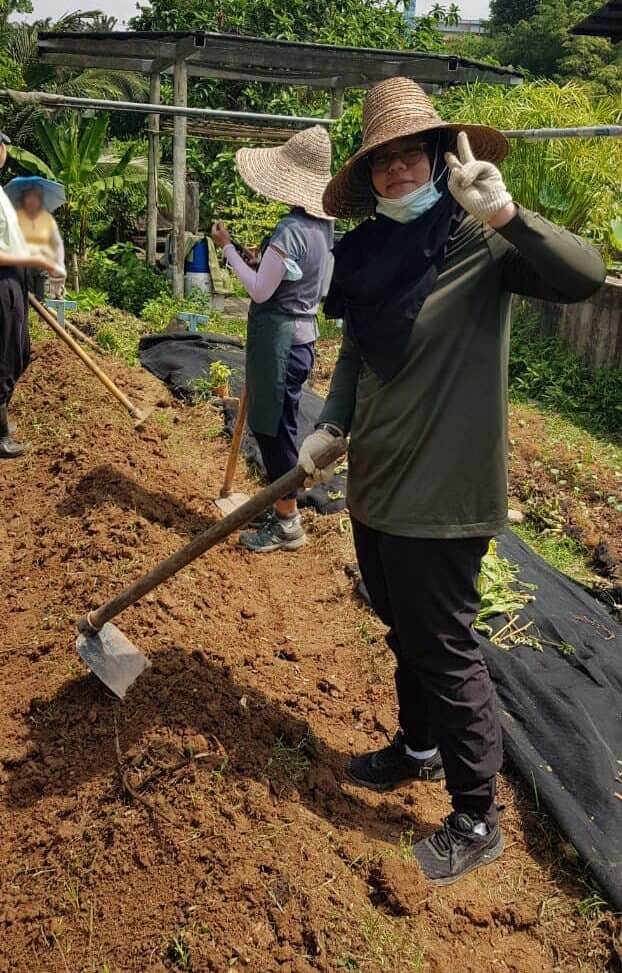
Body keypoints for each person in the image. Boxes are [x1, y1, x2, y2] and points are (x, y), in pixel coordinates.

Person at [298, 78, 605, 885]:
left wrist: (504, 213)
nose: (399, 169)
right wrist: (332, 425)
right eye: (383, 159)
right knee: (403, 631)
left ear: (439, 156)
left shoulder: (479, 241)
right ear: (369, 175)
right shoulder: (362, 253)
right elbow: (361, 353)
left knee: (446, 650)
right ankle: (419, 746)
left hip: (445, 494)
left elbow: (582, 275)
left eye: (412, 153)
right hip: (376, 485)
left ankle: (477, 816)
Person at [211, 125, 334, 553]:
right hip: (302, 340)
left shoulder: (290, 230)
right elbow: (284, 278)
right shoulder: (322, 228)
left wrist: (226, 249)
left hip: (280, 344)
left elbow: (262, 290)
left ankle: (287, 521)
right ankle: (283, 508)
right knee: (279, 424)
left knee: (273, 431)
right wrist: (252, 258)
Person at [0, 135, 65, 458]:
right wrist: (37, 260)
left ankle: (1, 419)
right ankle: (0, 437)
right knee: (5, 357)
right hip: (4, 280)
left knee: (21, 353)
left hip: (16, 278)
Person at [15, 185, 66, 300]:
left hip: (43, 268)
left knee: (43, 300)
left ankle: (42, 317)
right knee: (30, 300)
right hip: (27, 267)